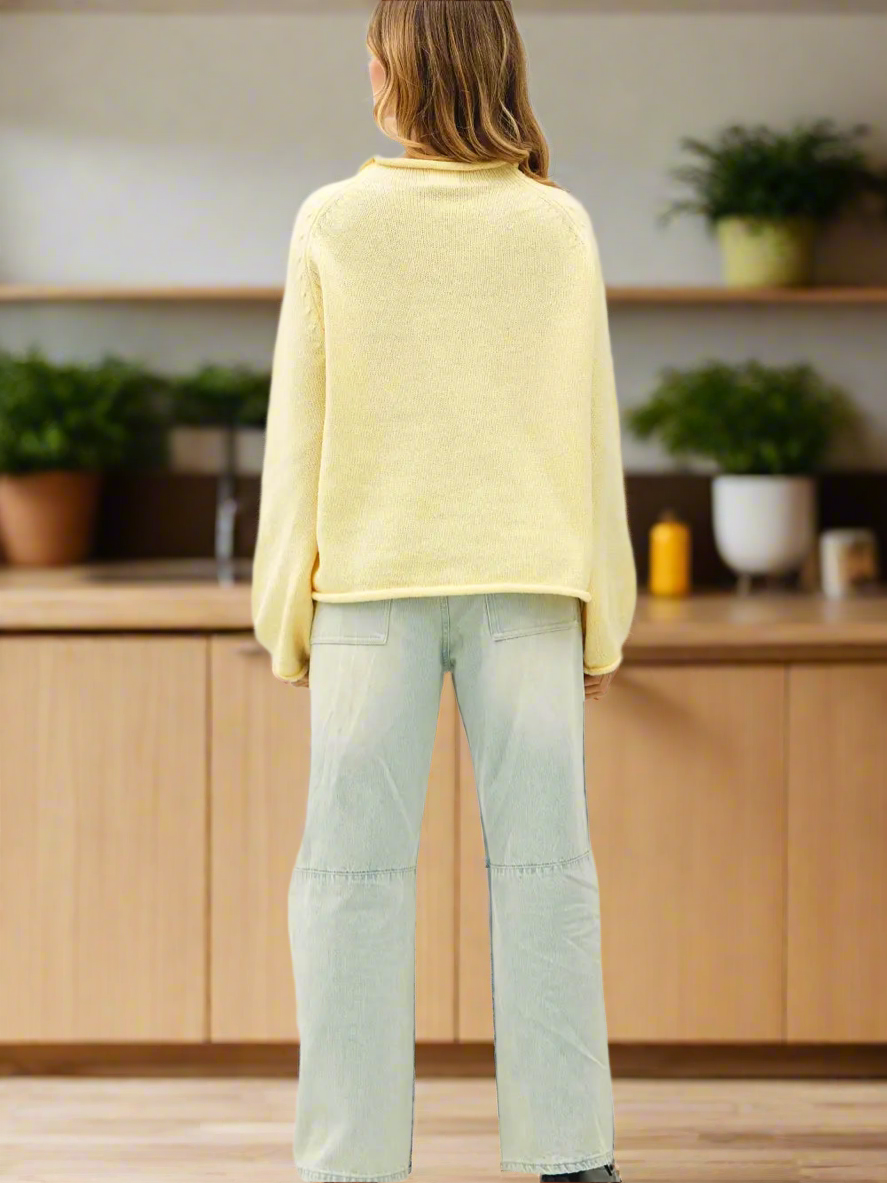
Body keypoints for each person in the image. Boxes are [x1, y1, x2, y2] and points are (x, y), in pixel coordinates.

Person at [252, 2, 636, 1181]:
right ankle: (573, 1158)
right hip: (531, 588)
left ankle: (349, 1162)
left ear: (394, 71)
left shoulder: (332, 220)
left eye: (372, 53)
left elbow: (296, 436)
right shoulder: (555, 223)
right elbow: (592, 434)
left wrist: (283, 611)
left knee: (348, 882)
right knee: (547, 875)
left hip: (370, 593)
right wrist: (604, 615)